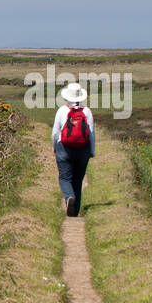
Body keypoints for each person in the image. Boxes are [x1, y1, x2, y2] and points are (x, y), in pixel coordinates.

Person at [52, 82, 95, 217]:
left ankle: (69, 197)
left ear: (67, 97)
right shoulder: (87, 111)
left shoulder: (62, 111)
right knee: (78, 180)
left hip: (64, 148)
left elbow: (55, 133)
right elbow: (91, 133)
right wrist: (92, 151)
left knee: (65, 178)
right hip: (83, 149)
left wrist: (55, 147)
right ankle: (75, 212)